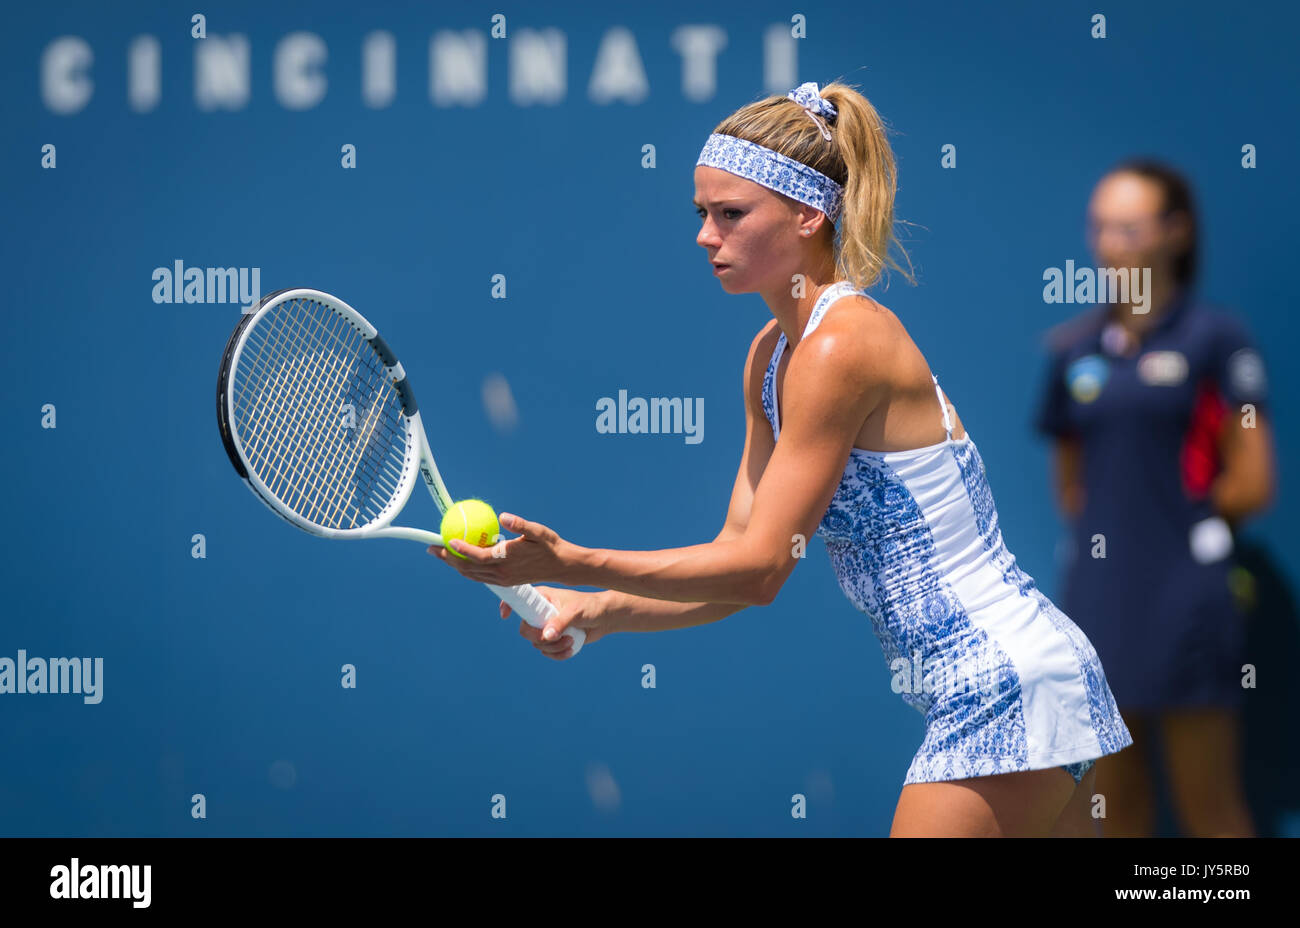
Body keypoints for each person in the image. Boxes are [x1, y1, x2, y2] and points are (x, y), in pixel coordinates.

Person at [433, 80, 1133, 837]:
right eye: (701, 213)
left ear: (808, 215)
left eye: (731, 214)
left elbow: (761, 572)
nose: (706, 235)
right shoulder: (772, 356)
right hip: (1017, 679)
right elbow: (734, 562)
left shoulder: (842, 344)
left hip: (1003, 680)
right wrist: (598, 613)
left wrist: (569, 563)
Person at [1036, 160, 1275, 837]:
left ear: (1175, 232)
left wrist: (1180, 536)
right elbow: (1071, 489)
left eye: (1131, 227)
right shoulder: (1073, 353)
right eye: (1102, 228)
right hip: (1097, 602)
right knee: (1110, 812)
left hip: (1190, 603)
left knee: (1212, 811)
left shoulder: (1217, 342)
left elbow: (1253, 480)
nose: (1113, 244)